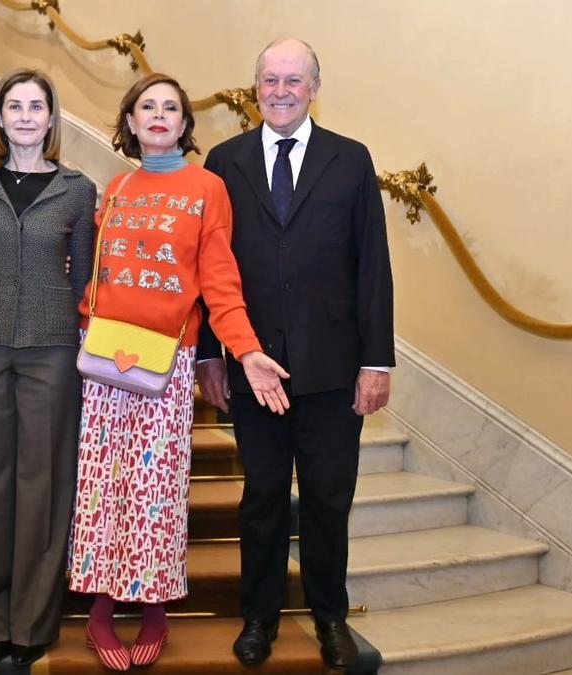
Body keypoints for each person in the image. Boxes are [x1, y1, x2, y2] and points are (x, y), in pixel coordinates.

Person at [67, 73, 290, 672]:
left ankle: (157, 608)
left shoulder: (207, 188)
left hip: (166, 365)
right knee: (101, 488)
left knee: (156, 493)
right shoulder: (113, 188)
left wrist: (243, 349)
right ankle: (101, 609)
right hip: (104, 358)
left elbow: (219, 279)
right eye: (148, 107)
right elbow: (98, 276)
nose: (159, 115)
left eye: (172, 107)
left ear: (186, 125)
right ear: (132, 124)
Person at [196, 38, 395, 669]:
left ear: (314, 87)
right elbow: (210, 267)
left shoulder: (351, 159)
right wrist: (210, 355)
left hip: (335, 367)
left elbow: (373, 267)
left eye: (293, 80)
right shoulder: (224, 161)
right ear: (255, 87)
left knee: (329, 497)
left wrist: (377, 361)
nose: (280, 90)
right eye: (269, 80)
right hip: (255, 366)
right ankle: (259, 617)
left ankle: (330, 616)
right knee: (260, 498)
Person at [0, 68, 96, 667]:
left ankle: (33, 622)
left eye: (35, 105)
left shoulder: (77, 188)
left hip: (53, 348)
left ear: (50, 117)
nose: (23, 115)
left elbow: (87, 277)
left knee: (42, 482)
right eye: (12, 105)